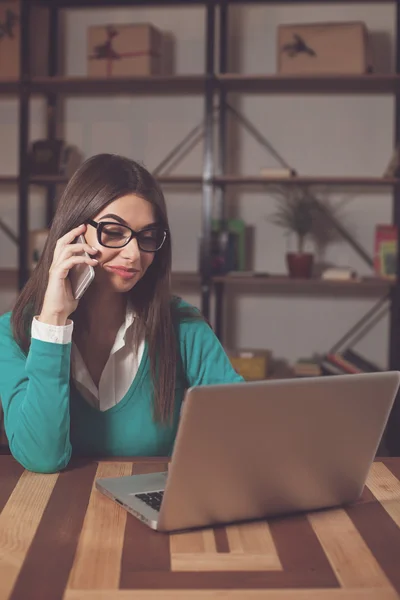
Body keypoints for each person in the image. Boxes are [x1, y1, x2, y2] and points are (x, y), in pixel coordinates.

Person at [0, 154, 243, 474]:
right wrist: (54, 320)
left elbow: (242, 428)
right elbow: (42, 456)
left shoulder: (181, 325)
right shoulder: (14, 332)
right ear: (73, 235)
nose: (133, 255)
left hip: (155, 511)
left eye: (147, 237)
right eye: (113, 232)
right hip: (53, 515)